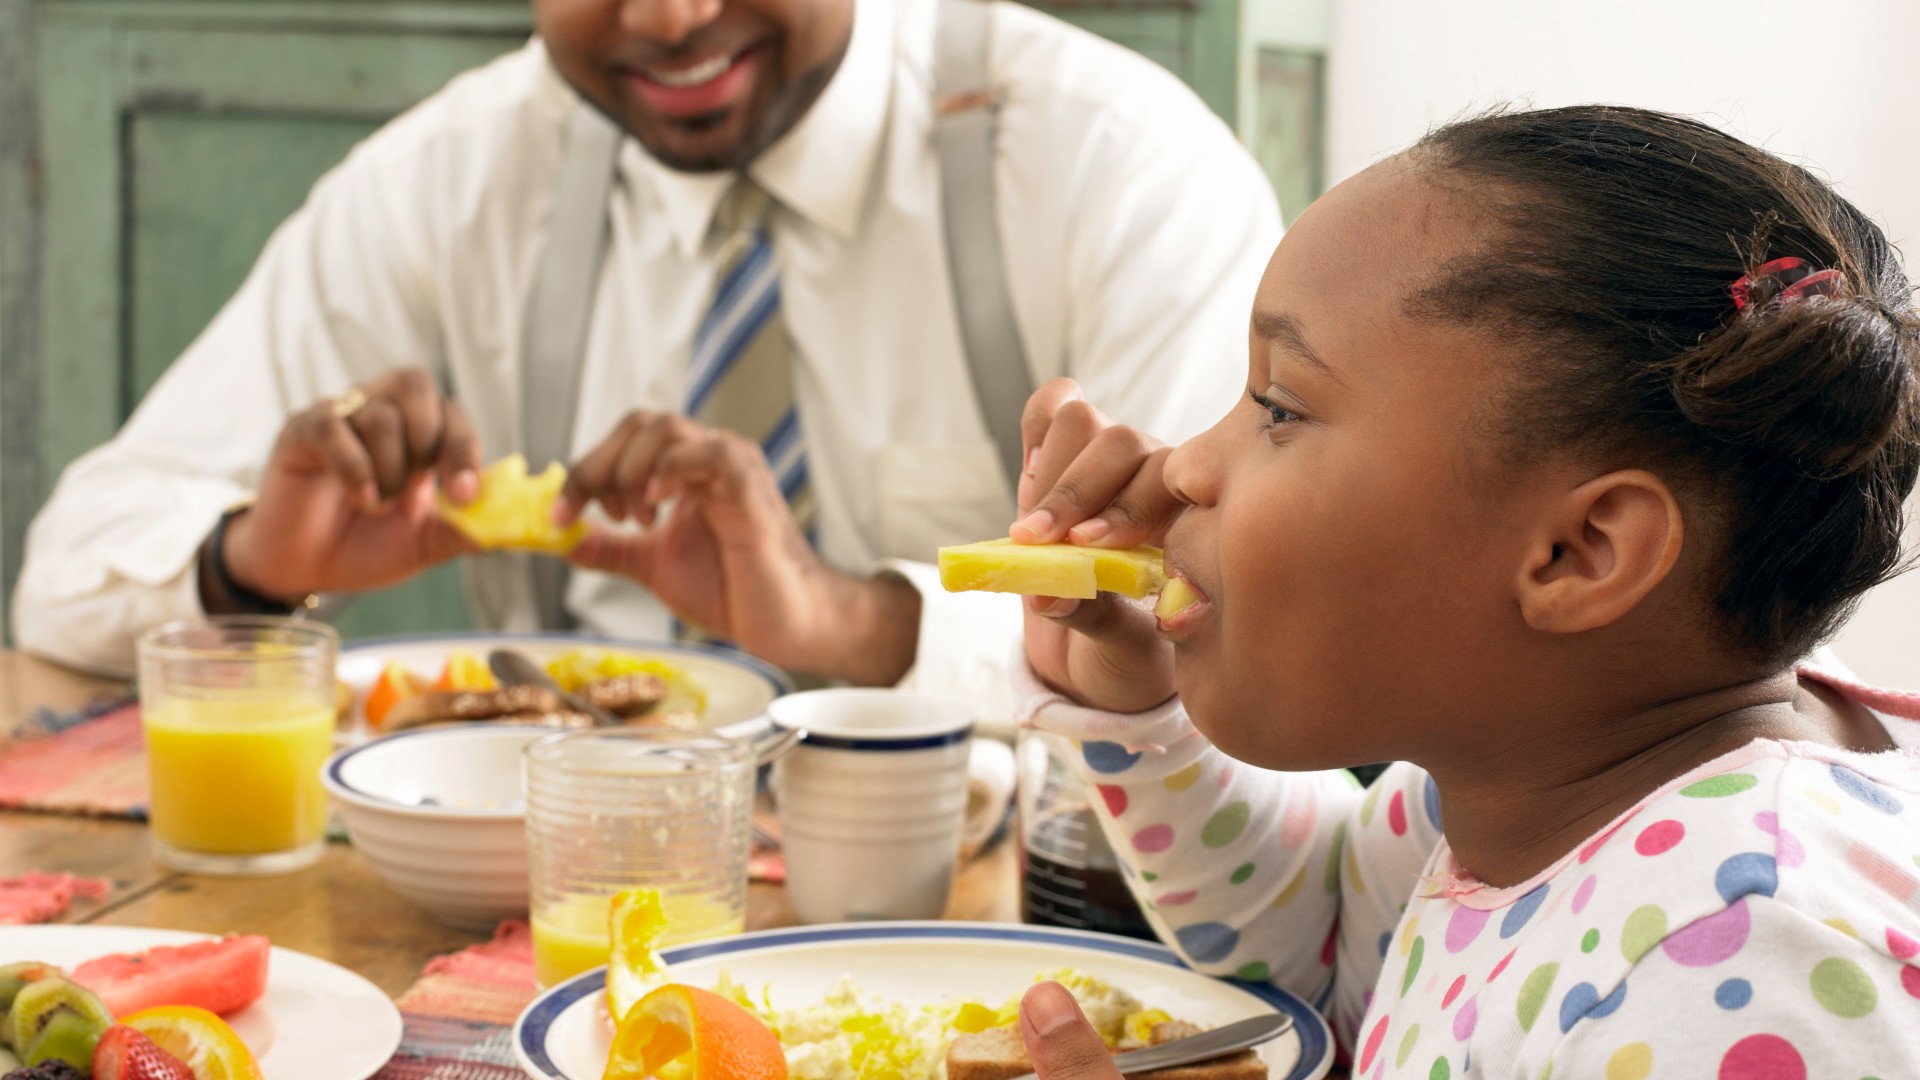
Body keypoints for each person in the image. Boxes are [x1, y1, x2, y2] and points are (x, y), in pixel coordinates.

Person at [1000, 105, 1920, 1078]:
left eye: (1280, 407)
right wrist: (1139, 704)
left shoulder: (1735, 964)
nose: (1182, 465)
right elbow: (1324, 943)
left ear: (1580, 553)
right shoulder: (1536, 765)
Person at [10, 0, 1278, 696]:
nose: (670, 16)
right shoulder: (451, 175)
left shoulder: (1117, 161)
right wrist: (251, 568)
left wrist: (855, 625)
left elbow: (1218, 631)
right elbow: (67, 574)